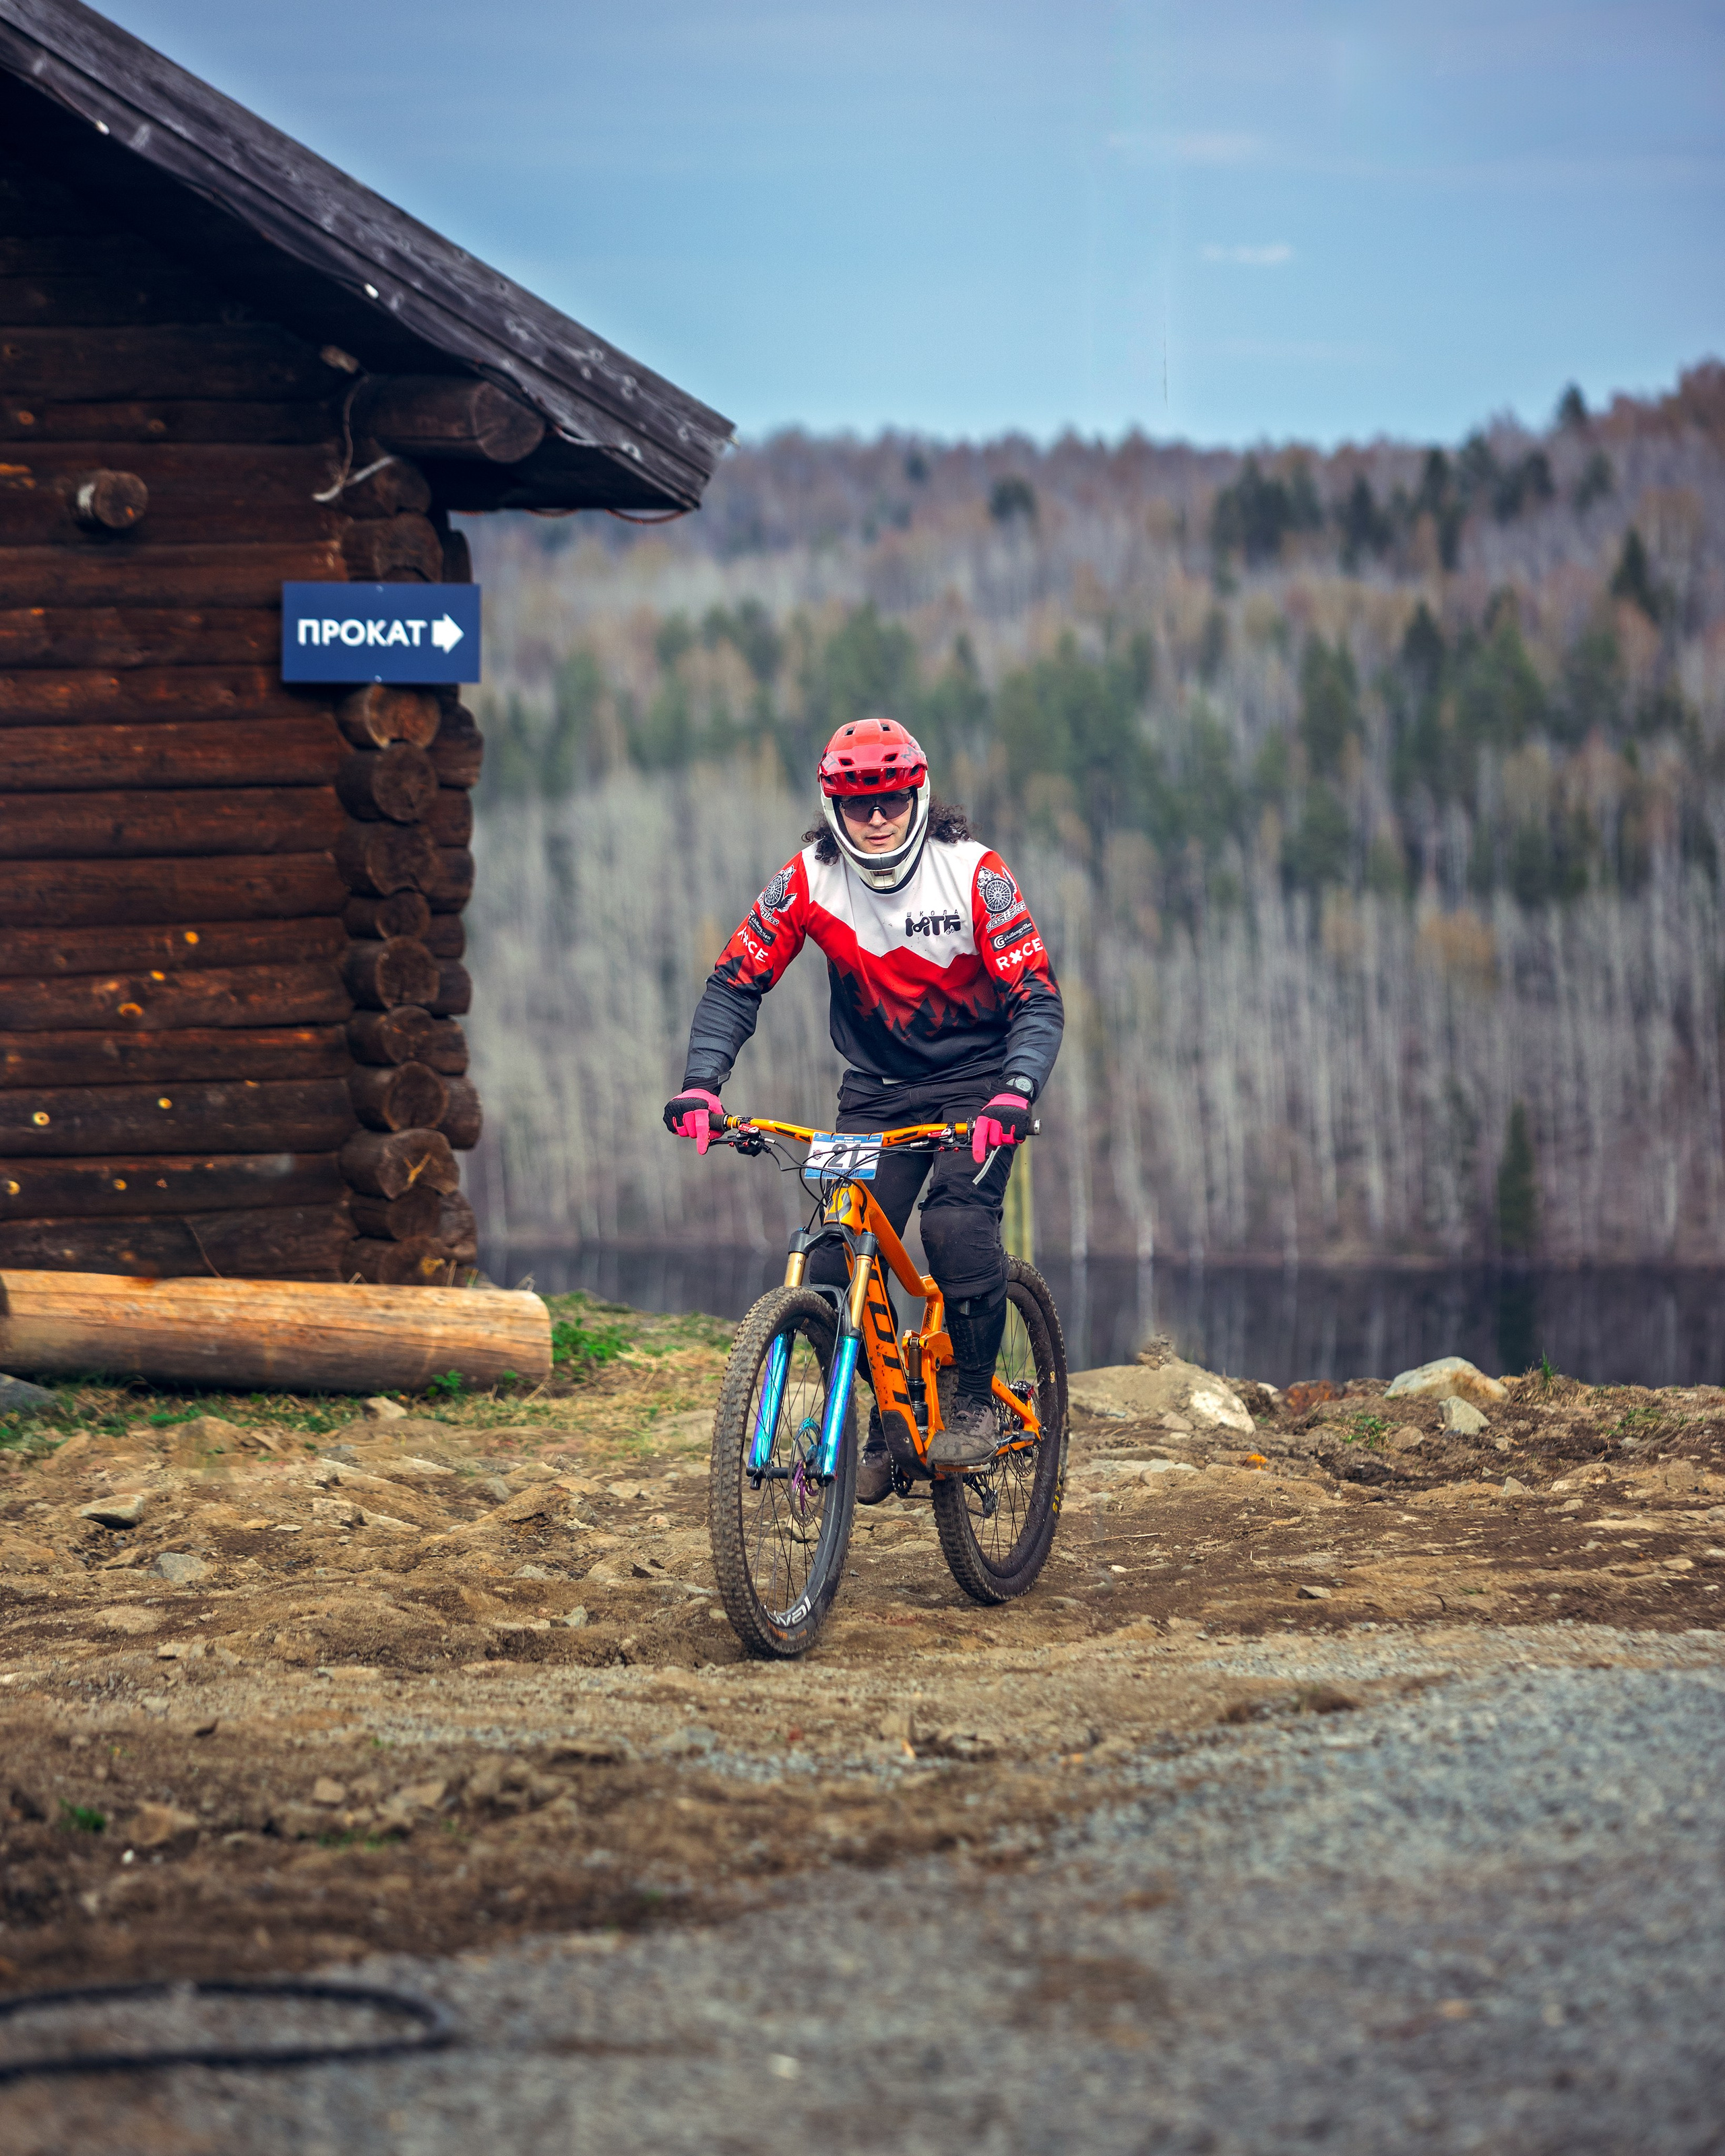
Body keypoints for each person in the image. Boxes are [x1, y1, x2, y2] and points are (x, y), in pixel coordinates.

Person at [664, 716, 1063, 1502]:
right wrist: (703, 1083)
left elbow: (1036, 997)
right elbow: (735, 982)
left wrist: (1015, 1090)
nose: (875, 817)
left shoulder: (974, 872)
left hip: (978, 1083)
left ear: (918, 797)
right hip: (876, 1091)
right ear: (833, 806)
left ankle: (972, 1399)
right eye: (857, 803)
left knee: (953, 1225)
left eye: (890, 800)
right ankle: (886, 1419)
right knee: (830, 1257)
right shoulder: (808, 879)